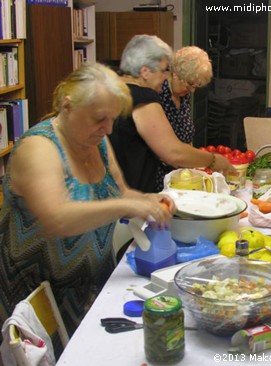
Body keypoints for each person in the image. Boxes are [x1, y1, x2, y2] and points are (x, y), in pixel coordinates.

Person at [0, 63, 175, 338]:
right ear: (68, 106)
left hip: (91, 289)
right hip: (40, 302)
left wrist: (150, 199)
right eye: (99, 118)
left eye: (113, 120)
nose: (107, 129)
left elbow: (120, 192)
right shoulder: (38, 148)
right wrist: (127, 206)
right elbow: (57, 218)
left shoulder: (96, 141)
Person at [109, 35, 234, 193]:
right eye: (163, 71)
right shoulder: (143, 97)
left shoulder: (114, 90)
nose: (165, 76)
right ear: (145, 72)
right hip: (136, 191)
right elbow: (173, 153)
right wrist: (213, 160)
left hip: (115, 191)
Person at [157, 46, 213, 191]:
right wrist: (208, 160)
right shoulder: (157, 94)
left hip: (181, 175)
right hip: (158, 179)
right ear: (175, 74)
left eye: (196, 85)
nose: (192, 90)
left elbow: (186, 139)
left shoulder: (184, 94)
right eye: (189, 83)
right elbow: (162, 149)